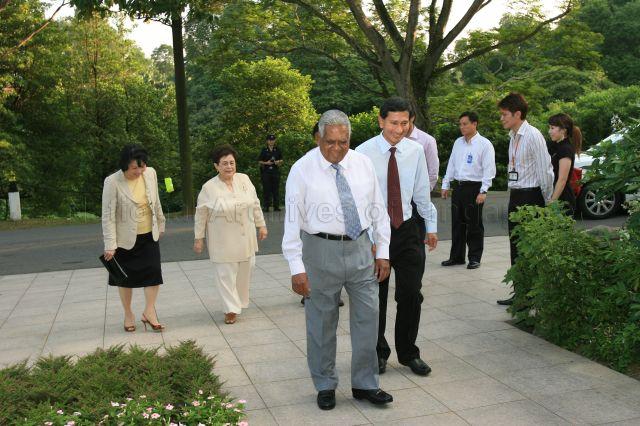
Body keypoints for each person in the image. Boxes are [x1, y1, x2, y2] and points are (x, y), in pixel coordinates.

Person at [282, 109, 393, 410]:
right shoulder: (302, 169)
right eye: (330, 142)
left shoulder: (363, 164)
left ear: (349, 139)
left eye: (343, 142)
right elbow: (292, 223)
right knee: (321, 323)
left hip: (361, 249)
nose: (336, 149)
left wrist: (382, 251)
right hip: (319, 251)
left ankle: (365, 384)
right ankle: (325, 384)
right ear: (319, 137)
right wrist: (296, 268)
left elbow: (378, 210)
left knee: (368, 318)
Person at [356, 97, 438, 377]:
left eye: (405, 123)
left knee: (411, 294)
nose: (399, 129)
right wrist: (370, 238)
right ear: (381, 121)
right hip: (376, 232)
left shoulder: (415, 151)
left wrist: (431, 225)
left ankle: (408, 353)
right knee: (376, 296)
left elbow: (421, 192)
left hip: (408, 229)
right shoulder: (363, 152)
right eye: (394, 123)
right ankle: (378, 353)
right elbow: (359, 199)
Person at [194, 145, 268, 324]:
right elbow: (201, 213)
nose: (229, 167)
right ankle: (230, 309)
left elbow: (255, 203)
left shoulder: (244, 179)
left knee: (246, 270)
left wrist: (261, 225)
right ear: (216, 166)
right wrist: (199, 238)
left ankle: (239, 303)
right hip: (223, 239)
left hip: (246, 236)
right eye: (224, 163)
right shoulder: (209, 187)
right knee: (225, 275)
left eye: (232, 163)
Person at [496, 93, 554, 306]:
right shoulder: (513, 135)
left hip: (532, 195)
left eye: (504, 114)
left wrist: (547, 199)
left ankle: (533, 295)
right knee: (516, 245)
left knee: (530, 247)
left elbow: (545, 170)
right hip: (517, 195)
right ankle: (520, 293)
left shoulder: (533, 135)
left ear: (517, 114)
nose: (501, 118)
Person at [102, 145, 166, 332]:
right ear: (124, 166)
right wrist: (110, 245)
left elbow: (156, 200)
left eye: (142, 166)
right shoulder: (112, 181)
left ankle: (149, 311)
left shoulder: (150, 173)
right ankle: (128, 313)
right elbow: (108, 215)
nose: (139, 171)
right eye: (134, 168)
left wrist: (160, 223)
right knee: (124, 279)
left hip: (148, 233)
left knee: (154, 274)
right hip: (124, 238)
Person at [441, 111, 496, 269]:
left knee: (474, 224)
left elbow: (489, 170)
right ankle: (457, 257)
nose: (462, 127)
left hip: (475, 188)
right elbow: (451, 164)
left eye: (465, 124)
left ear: (475, 124)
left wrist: (483, 191)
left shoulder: (484, 144)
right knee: (457, 224)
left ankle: (474, 257)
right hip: (458, 187)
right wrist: (446, 184)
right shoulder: (458, 142)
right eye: (460, 124)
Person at [300, 122, 344, 308]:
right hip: (312, 226)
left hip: (337, 223)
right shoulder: (305, 165)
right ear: (317, 138)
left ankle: (336, 293)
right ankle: (308, 292)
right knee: (313, 261)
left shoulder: (344, 160)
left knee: (337, 261)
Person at [405, 109, 439, 275]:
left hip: (416, 201)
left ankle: (414, 280)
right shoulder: (390, 139)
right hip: (393, 201)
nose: (400, 127)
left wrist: (422, 195)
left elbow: (433, 173)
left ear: (412, 118)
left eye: (404, 121)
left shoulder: (426, 141)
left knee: (416, 243)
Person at [548, 113, 582, 215]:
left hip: (562, 200)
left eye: (552, 128)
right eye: (549, 128)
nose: (549, 131)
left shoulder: (565, 149)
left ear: (563, 130)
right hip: (555, 194)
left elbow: (562, 180)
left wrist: (553, 202)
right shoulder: (556, 145)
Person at [258, 134, 283, 211]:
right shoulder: (264, 150)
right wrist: (266, 163)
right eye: (270, 140)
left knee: (275, 189)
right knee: (266, 189)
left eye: (273, 140)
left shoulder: (277, 149)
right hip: (266, 172)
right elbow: (259, 161)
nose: (271, 141)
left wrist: (277, 161)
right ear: (267, 141)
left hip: (275, 171)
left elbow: (282, 160)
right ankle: (266, 206)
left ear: (274, 140)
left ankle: (276, 206)